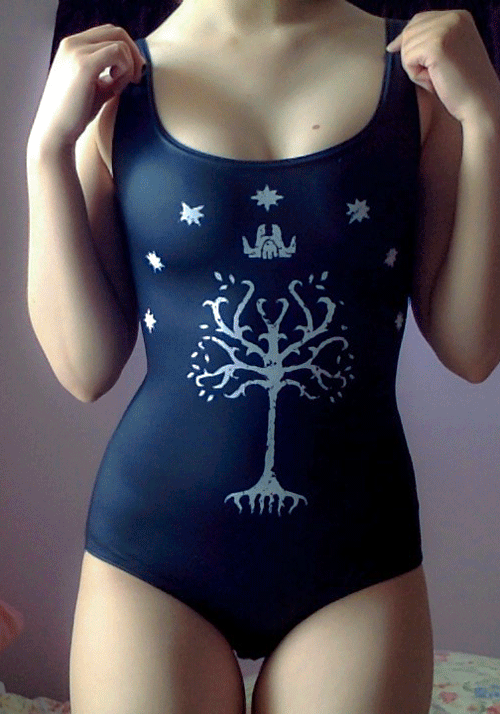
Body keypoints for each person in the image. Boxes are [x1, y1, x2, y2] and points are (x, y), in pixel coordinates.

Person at [26, 0, 498, 712]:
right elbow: (84, 368)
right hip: (152, 558)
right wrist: (46, 152)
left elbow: (473, 348)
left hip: (357, 560)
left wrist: (488, 122)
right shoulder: (114, 85)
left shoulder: (422, 77)